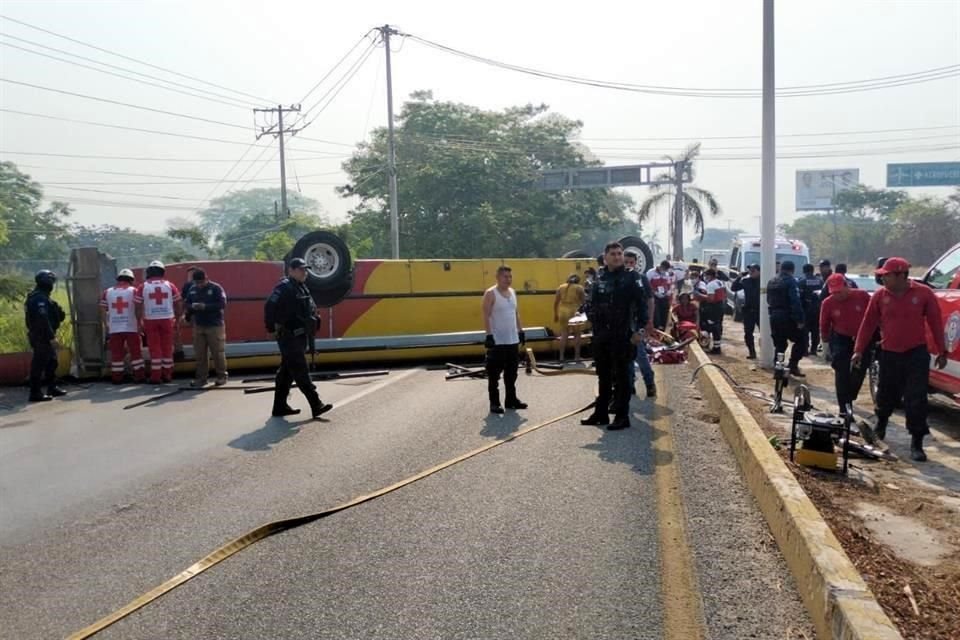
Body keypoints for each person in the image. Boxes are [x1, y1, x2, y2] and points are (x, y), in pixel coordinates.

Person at [852, 258, 947, 461]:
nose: (882, 278)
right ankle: (881, 424)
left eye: (886, 275)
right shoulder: (879, 296)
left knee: (916, 398)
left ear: (901, 275)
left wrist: (942, 350)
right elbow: (868, 324)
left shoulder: (923, 294)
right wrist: (858, 350)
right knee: (886, 392)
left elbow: (936, 322)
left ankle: (917, 442)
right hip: (889, 353)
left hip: (916, 353)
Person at [580, 242, 649, 430]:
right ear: (605, 256)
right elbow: (590, 304)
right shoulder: (599, 277)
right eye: (613, 254)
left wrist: (640, 332)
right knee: (603, 376)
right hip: (602, 335)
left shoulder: (631, 277)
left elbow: (642, 306)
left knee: (622, 378)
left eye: (620, 253)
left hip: (623, 335)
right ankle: (601, 413)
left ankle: (622, 416)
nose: (618, 257)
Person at [264, 258, 333, 419]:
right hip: (288, 336)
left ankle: (279, 406)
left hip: (300, 336)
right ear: (291, 270)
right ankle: (316, 404)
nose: (305, 272)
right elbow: (269, 306)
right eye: (301, 269)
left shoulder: (301, 287)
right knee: (300, 370)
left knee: (286, 373)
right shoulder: (284, 288)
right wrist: (270, 329)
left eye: (305, 270)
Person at [819, 274, 872, 416]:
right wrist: (825, 345)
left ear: (847, 286)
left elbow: (874, 315)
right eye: (834, 292)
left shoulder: (862, 296)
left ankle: (850, 396)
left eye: (840, 291)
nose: (837, 295)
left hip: (863, 339)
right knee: (841, 372)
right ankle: (844, 409)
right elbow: (824, 324)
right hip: (841, 339)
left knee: (859, 372)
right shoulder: (828, 303)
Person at [482, 265, 527, 414]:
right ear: (498, 277)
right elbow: (486, 315)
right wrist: (489, 335)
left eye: (510, 277)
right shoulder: (491, 293)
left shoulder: (512, 292)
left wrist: (521, 331)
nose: (508, 280)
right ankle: (494, 403)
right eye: (505, 277)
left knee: (512, 373)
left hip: (512, 340)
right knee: (494, 374)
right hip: (497, 341)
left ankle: (511, 400)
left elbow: (516, 313)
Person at [134, 260, 182, 384]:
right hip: (167, 319)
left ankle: (155, 377)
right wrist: (178, 319)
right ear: (162, 271)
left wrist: (139, 321)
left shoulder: (143, 286)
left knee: (154, 348)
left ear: (149, 272)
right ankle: (167, 375)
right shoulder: (169, 285)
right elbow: (178, 304)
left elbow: (138, 306)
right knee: (167, 347)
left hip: (150, 320)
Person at [24, 270, 67, 402]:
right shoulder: (39, 298)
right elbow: (42, 319)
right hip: (41, 336)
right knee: (39, 364)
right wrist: (51, 337)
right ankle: (35, 392)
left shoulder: (42, 296)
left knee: (52, 362)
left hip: (43, 334)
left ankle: (52, 387)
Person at [99, 269, 145, 384]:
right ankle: (139, 376)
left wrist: (106, 324)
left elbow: (102, 310)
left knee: (116, 354)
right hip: (131, 327)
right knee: (136, 353)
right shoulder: (134, 291)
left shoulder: (107, 292)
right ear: (131, 280)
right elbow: (139, 308)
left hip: (114, 328)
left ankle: (117, 378)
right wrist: (140, 323)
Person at [184, 268, 228, 387]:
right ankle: (201, 378)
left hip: (214, 325)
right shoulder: (192, 290)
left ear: (206, 279)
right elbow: (187, 303)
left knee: (217, 352)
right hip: (199, 325)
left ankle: (221, 376)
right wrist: (191, 308)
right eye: (197, 282)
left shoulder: (216, 288)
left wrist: (205, 307)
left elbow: (222, 304)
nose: (199, 285)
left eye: (201, 282)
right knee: (200, 354)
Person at [624, 250, 656, 398]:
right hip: (621, 322)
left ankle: (649, 383)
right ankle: (629, 384)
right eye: (626, 262)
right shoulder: (618, 278)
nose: (629, 265)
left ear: (636, 263)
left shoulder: (641, 279)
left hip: (637, 321)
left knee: (640, 354)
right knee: (625, 355)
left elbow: (650, 300)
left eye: (631, 262)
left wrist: (649, 320)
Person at [767, 260, 807, 376]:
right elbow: (795, 301)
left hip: (774, 316)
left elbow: (768, 300)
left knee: (780, 344)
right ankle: (793, 365)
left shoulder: (771, 281)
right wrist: (800, 320)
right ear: (792, 270)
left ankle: (778, 367)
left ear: (780, 269)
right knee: (801, 341)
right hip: (787, 317)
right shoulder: (791, 281)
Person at [553, 273, 585, 364]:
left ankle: (561, 357)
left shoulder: (560, 287)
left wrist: (555, 314)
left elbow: (555, 302)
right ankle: (577, 357)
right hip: (575, 311)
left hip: (562, 311)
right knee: (577, 334)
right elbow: (584, 302)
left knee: (564, 334)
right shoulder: (579, 288)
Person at [731, 263, 761, 359]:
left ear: (759, 271)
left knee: (765, 333)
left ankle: (766, 352)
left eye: (753, 270)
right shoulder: (746, 281)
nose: (751, 272)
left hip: (761, 312)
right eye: (750, 270)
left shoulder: (764, 281)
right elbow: (733, 288)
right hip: (749, 311)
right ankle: (752, 352)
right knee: (748, 333)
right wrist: (739, 277)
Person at [694, 268, 726, 354]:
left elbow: (711, 299)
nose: (705, 277)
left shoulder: (711, 285)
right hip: (720, 306)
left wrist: (700, 295)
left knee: (711, 326)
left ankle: (714, 347)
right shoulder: (719, 282)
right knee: (717, 326)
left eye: (706, 275)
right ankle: (717, 346)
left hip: (713, 308)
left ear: (709, 275)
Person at [798, 263, 825, 356]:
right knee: (815, 330)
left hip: (805, 309)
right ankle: (814, 349)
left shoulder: (802, 281)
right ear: (813, 270)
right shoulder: (820, 281)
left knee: (805, 330)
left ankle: (805, 350)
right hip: (818, 309)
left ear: (804, 271)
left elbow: (799, 297)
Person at [646, 260, 675, 331]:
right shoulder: (651, 273)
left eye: (666, 270)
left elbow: (669, 284)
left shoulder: (666, 274)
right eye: (664, 269)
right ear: (661, 266)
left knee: (665, 313)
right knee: (656, 313)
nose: (664, 271)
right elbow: (647, 285)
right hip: (654, 296)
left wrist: (669, 291)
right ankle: (656, 328)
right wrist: (655, 292)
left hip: (664, 297)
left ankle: (663, 328)